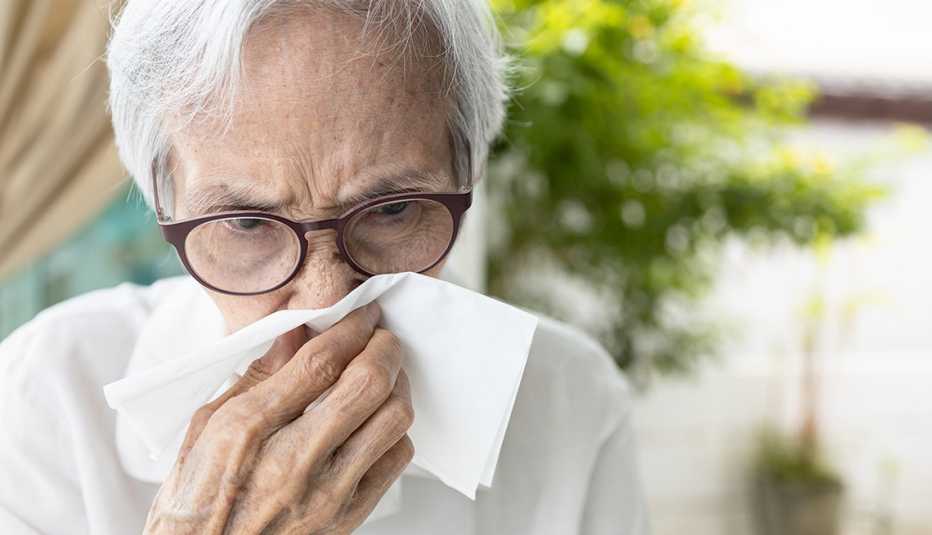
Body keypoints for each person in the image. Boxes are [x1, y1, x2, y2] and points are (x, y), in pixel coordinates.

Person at [0, 1, 648, 533]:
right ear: (164, 202)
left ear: (470, 170)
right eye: (248, 223)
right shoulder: (47, 393)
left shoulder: (571, 402)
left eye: (392, 210)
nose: (324, 299)